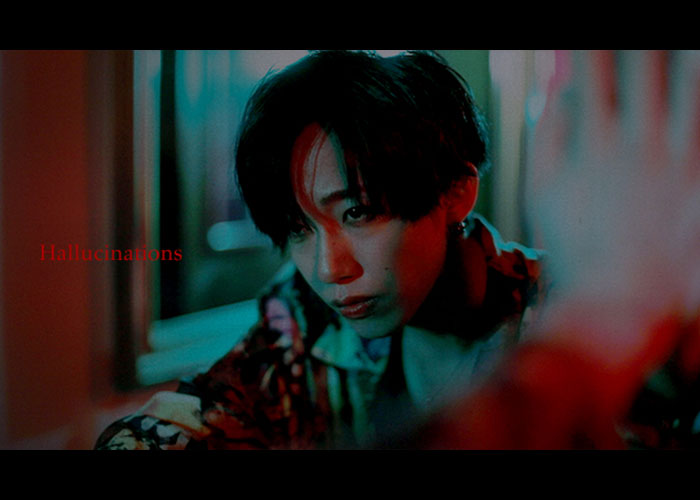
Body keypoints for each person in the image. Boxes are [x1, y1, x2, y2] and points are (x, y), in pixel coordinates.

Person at [95, 50, 548, 450]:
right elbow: (204, 410)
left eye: (358, 213)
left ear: (455, 192)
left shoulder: (559, 316)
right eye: (299, 228)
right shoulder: (304, 311)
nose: (329, 269)